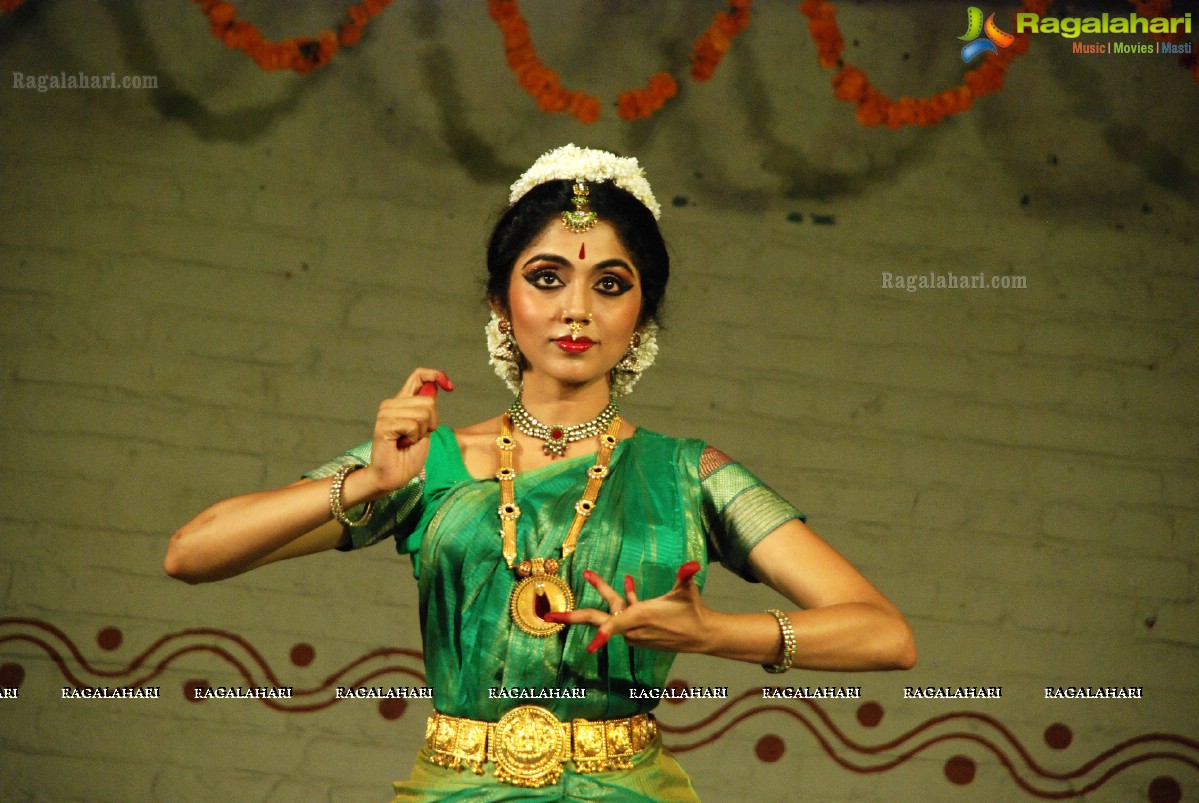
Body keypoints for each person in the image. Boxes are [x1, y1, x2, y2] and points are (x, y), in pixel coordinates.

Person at [165, 144, 916, 801]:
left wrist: (716, 632)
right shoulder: (430, 462)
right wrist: (366, 483)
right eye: (547, 278)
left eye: (610, 285)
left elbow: (884, 636)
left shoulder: (688, 474)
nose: (576, 311)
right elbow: (191, 553)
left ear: (642, 315)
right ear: (501, 303)